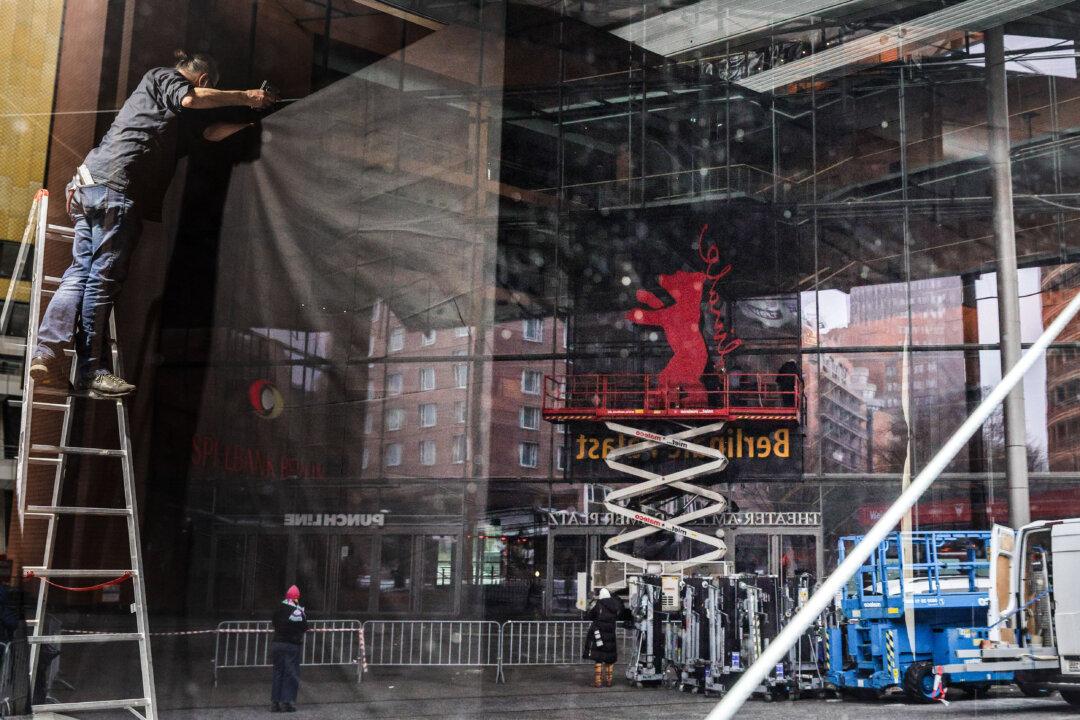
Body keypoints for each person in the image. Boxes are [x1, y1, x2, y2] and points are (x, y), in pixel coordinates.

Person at [29, 50, 275, 398]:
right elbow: (191, 98)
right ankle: (91, 371)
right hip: (115, 188)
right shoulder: (163, 77)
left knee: (80, 274)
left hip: (89, 186)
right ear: (204, 79)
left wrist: (254, 120)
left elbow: (210, 132)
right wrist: (247, 96)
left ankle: (47, 354)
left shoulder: (172, 116)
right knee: (101, 279)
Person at [271, 584, 308, 713]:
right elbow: (304, 626)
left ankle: (275, 703)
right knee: (290, 673)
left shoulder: (278, 608)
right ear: (297, 597)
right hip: (291, 644)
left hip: (277, 644)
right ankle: (286, 702)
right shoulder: (297, 611)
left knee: (278, 672)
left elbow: (274, 622)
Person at [584, 588, 625, 688]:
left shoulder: (599, 605)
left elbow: (590, 616)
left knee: (598, 658)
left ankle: (598, 681)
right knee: (609, 659)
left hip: (599, 636)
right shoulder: (614, 606)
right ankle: (609, 681)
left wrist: (590, 604)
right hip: (610, 636)